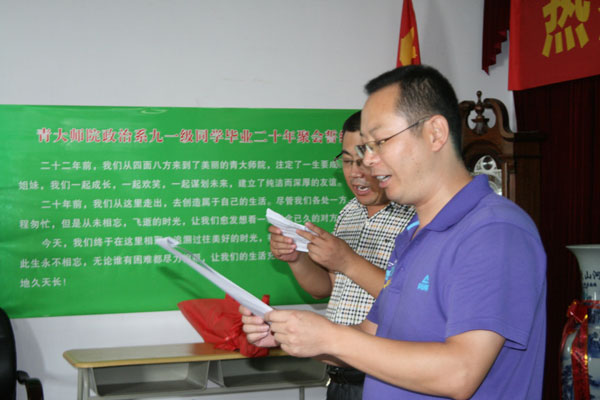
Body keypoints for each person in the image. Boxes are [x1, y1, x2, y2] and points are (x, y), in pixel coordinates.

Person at [241, 65, 547, 399]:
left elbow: (460, 373)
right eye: (364, 148)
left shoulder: (495, 231)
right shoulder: (413, 235)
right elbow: (370, 337)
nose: (369, 161)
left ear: (435, 133)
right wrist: (288, 332)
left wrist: (330, 337)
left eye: (380, 142)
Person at [267, 110, 414, 399]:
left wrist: (348, 261)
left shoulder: (416, 216)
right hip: (339, 376)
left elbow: (412, 300)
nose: (355, 173)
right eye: (347, 161)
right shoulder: (349, 212)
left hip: (387, 376)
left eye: (364, 161)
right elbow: (327, 289)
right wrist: (296, 259)